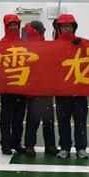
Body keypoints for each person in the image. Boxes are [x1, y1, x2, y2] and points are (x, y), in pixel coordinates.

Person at [53, 14, 89, 159]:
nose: (66, 29)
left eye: (69, 26)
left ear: (73, 27)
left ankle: (81, 147)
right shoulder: (54, 46)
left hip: (79, 90)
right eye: (63, 26)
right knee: (63, 121)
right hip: (62, 91)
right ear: (59, 28)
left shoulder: (81, 42)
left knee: (80, 121)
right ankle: (65, 147)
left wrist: (82, 44)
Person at [22, 21, 57, 156]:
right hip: (37, 90)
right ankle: (46, 145)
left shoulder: (46, 46)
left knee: (39, 119)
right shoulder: (31, 46)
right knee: (38, 119)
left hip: (42, 89)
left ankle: (35, 145)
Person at [0, 14, 27, 155]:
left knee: (18, 118)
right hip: (7, 87)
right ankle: (5, 143)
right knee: (6, 118)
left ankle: (16, 142)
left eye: (15, 24)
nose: (13, 27)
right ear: (6, 26)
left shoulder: (24, 43)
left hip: (21, 87)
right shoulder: (1, 44)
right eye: (10, 25)